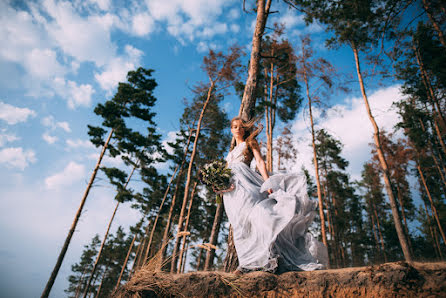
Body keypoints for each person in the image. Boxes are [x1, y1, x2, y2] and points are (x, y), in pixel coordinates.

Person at [221, 116, 328, 274]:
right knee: (240, 226)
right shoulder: (230, 154)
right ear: (231, 130)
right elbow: (226, 173)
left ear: (244, 129)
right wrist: (220, 187)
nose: (238, 129)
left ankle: (266, 259)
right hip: (232, 193)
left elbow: (260, 162)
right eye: (235, 126)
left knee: (259, 217)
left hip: (247, 185)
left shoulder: (249, 143)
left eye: (241, 126)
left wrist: (268, 182)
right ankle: (246, 263)